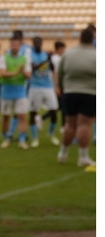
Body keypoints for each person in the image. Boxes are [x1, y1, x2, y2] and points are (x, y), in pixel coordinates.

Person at [56, 29, 96, 166]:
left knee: (70, 124)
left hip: (70, 92)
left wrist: (61, 88)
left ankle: (63, 153)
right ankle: (83, 157)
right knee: (84, 125)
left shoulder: (69, 53)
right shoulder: (96, 55)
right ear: (92, 38)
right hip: (89, 93)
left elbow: (60, 72)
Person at [0, 36, 32, 149]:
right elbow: (2, 73)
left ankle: (22, 140)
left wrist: (23, 73)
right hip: (6, 91)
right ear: (10, 45)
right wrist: (17, 72)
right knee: (6, 117)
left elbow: (28, 75)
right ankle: (6, 138)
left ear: (20, 46)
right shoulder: (3, 58)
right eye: (13, 44)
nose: (14, 46)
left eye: (17, 44)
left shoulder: (24, 59)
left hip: (20, 91)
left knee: (22, 116)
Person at [27, 37, 60, 147]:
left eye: (39, 43)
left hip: (48, 86)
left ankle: (51, 134)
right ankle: (35, 138)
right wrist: (46, 60)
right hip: (35, 87)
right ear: (33, 44)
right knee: (33, 112)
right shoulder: (30, 55)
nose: (37, 44)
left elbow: (52, 68)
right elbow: (33, 68)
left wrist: (50, 60)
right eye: (35, 43)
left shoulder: (46, 54)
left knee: (54, 110)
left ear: (42, 43)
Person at [41, 41, 66, 131]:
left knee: (59, 106)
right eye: (63, 48)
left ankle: (42, 118)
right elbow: (55, 73)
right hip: (57, 84)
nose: (64, 50)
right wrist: (57, 86)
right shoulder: (56, 59)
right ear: (59, 49)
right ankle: (63, 126)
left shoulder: (55, 58)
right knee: (62, 106)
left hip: (55, 84)